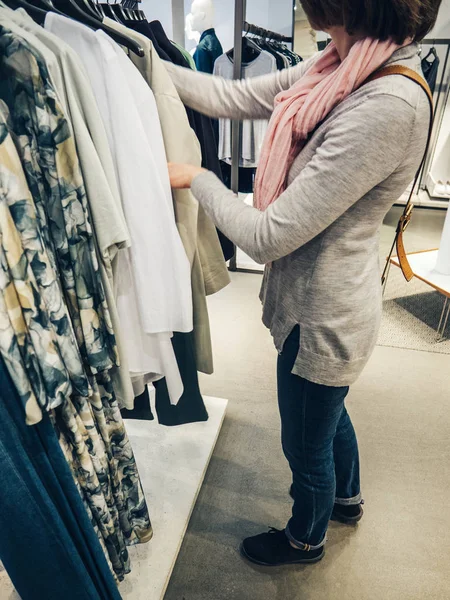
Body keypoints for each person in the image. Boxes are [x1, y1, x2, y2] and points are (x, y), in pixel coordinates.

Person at [166, 0, 441, 567]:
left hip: (325, 317)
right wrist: (143, 60)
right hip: (316, 300)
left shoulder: (386, 103)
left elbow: (268, 237)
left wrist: (201, 180)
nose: (318, 24)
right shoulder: (346, 64)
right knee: (329, 413)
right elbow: (235, 97)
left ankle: (305, 537)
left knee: (305, 441)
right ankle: (347, 498)